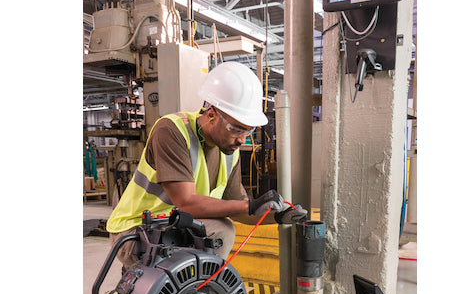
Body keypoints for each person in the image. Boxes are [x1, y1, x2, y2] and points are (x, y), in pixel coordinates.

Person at [106, 61, 306, 269]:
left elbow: (238, 209)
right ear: (211, 114)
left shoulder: (229, 152)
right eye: (237, 129)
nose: (242, 139)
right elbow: (185, 203)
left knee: (217, 232)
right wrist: (250, 205)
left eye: (248, 131)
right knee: (221, 230)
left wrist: (277, 216)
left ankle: (198, 285)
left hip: (174, 226)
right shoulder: (171, 130)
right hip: (135, 230)